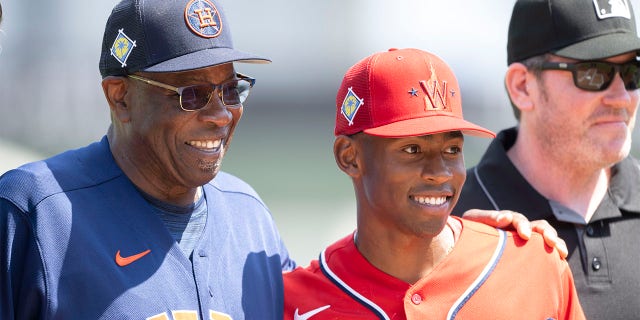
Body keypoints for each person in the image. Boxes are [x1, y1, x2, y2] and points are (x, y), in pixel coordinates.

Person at [0, 0, 295, 318]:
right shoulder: (35, 211)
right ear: (120, 97)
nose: (221, 115)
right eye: (192, 94)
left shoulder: (250, 217)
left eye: (231, 90)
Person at [283, 48, 585, 319]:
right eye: (412, 150)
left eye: (452, 150)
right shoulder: (293, 301)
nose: (440, 172)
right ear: (349, 157)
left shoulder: (533, 263)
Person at [455, 0, 640, 318]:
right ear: (523, 86)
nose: (623, 97)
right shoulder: (452, 225)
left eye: (633, 71)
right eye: (593, 73)